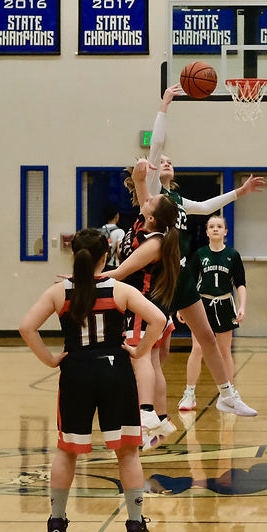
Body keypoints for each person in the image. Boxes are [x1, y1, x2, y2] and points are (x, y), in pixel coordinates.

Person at [19, 229, 166, 532]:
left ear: (74, 256)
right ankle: (135, 525)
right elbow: (159, 320)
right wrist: (139, 351)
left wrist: (49, 359)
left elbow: (26, 327)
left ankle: (57, 521)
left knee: (67, 450)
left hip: (76, 372)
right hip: (115, 371)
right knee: (127, 453)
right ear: (107, 255)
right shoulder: (120, 290)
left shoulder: (60, 292)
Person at [136, 85, 265, 417]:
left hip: (180, 276)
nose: (163, 162)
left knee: (207, 336)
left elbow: (208, 205)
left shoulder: (178, 200)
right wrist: (164, 105)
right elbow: (158, 143)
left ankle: (227, 395)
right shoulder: (152, 193)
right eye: (159, 161)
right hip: (158, 279)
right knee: (149, 351)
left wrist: (241, 190)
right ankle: (145, 410)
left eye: (168, 162)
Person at [103, 180, 180, 448]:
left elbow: (120, 273)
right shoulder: (143, 225)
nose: (145, 199)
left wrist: (83, 279)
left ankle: (146, 412)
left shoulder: (154, 242)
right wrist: (138, 176)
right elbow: (142, 191)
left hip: (144, 306)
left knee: (142, 359)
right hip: (150, 305)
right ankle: (160, 420)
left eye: (149, 202)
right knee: (153, 362)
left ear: (152, 216)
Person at [179, 215, 248, 412]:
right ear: (207, 232)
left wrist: (242, 306)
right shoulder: (199, 255)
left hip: (225, 303)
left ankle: (230, 393)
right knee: (197, 349)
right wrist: (183, 307)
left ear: (226, 231)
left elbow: (240, 283)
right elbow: (188, 283)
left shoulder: (233, 255)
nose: (215, 229)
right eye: (211, 226)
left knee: (225, 351)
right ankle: (189, 393)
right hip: (202, 305)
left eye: (219, 226)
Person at [99, 204, 125, 271]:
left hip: (102, 266)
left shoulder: (101, 230)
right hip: (114, 265)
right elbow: (119, 252)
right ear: (117, 216)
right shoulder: (120, 231)